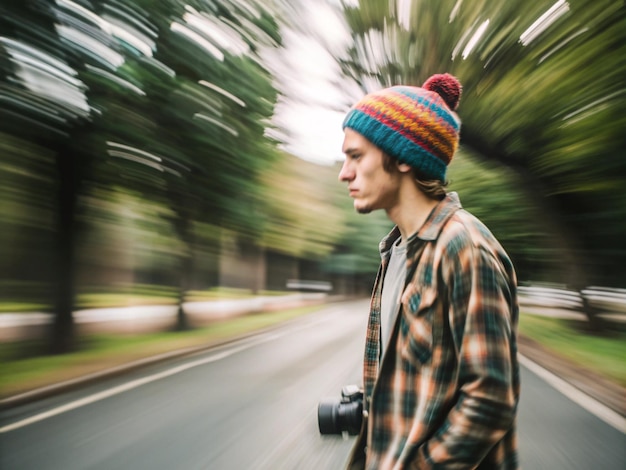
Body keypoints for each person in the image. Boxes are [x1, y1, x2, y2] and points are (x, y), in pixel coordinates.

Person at [338, 73, 520, 469]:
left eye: (355, 156)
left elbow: (490, 399)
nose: (344, 173)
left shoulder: (464, 248)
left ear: (402, 156)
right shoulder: (396, 250)